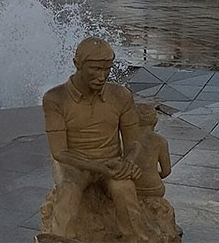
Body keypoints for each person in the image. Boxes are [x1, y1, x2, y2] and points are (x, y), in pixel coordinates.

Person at [42, 37, 148, 242]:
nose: (102, 76)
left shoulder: (121, 95)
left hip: (112, 162)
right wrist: (99, 166)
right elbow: (59, 152)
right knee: (69, 190)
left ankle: (137, 239)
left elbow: (134, 143)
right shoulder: (55, 99)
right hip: (72, 164)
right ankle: (60, 239)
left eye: (107, 69)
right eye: (95, 69)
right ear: (77, 64)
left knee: (124, 188)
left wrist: (129, 163)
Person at [134, 103, 172, 197]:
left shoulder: (127, 139)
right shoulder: (160, 141)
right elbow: (166, 171)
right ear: (155, 120)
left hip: (133, 187)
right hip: (154, 187)